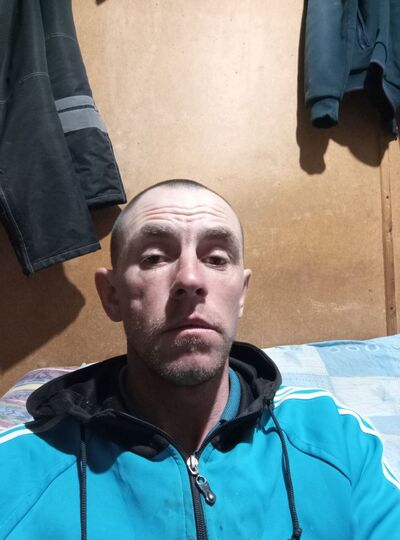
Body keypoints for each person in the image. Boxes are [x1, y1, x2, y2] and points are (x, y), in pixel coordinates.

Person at [0, 179, 399, 540]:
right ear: (112, 295)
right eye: (154, 257)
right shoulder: (18, 471)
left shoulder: (339, 439)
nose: (190, 279)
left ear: (241, 294)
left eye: (217, 258)